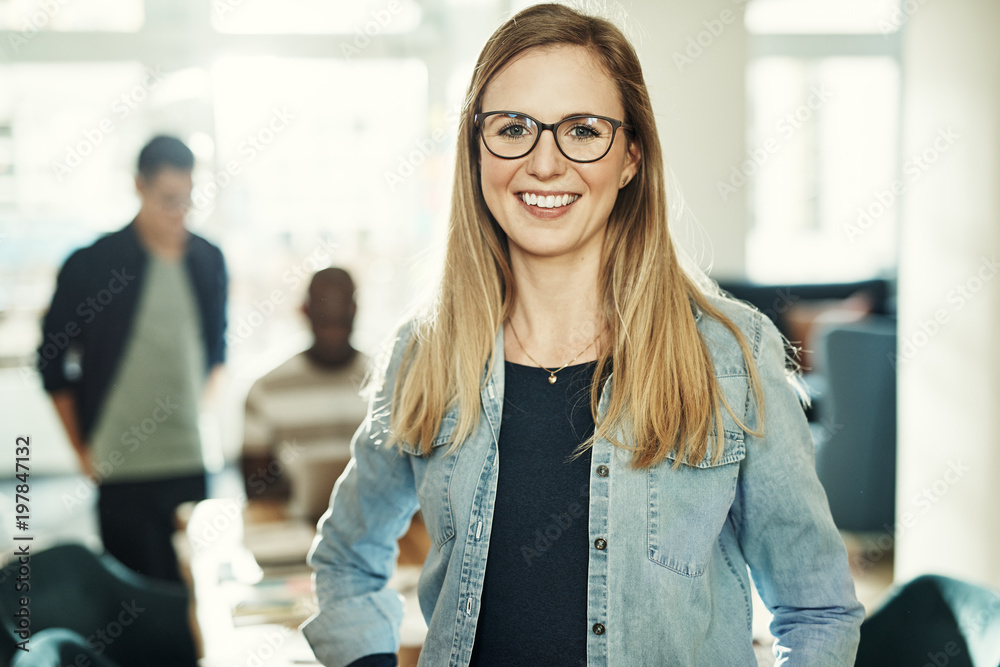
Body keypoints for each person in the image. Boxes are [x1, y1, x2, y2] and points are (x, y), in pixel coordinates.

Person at [302, 4, 865, 666]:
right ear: (476, 149)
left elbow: (817, 608)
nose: (545, 163)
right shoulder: (425, 353)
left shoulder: (729, 357)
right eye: (513, 128)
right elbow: (346, 559)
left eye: (583, 130)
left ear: (630, 157)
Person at [38, 135, 227, 583]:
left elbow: (217, 348)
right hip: (120, 463)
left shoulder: (208, 259)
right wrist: (82, 451)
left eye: (188, 200)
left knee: (194, 597)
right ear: (139, 187)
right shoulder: (93, 263)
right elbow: (51, 358)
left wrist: (198, 415)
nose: (179, 212)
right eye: (167, 200)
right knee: (135, 608)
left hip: (189, 460)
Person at [241, 268, 368, 520]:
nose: (332, 327)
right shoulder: (266, 389)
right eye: (324, 318)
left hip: (380, 529)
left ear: (354, 311)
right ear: (305, 312)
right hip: (293, 528)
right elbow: (255, 487)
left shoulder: (392, 382)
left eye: (340, 316)